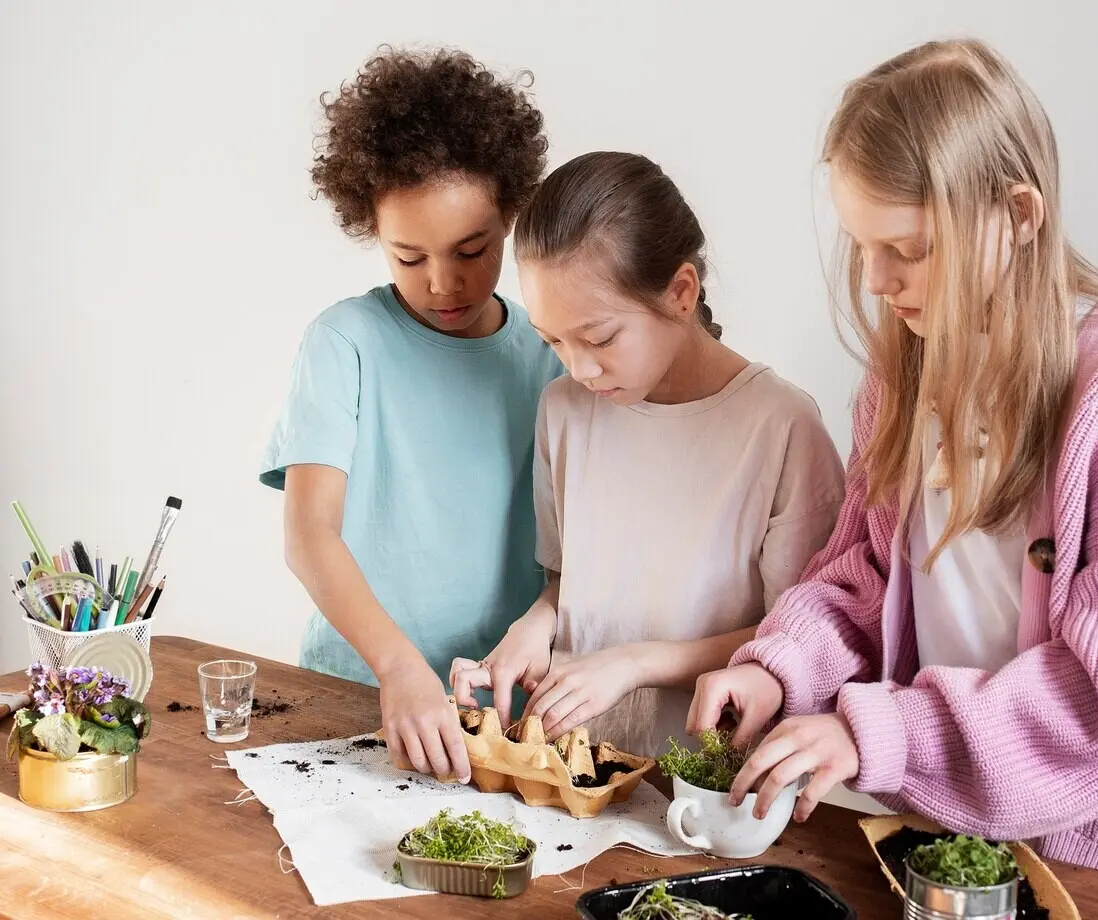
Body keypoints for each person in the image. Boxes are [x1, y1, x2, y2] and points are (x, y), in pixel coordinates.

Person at [687, 40, 1098, 919]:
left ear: (1018, 214)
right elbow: (866, 579)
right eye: (861, 245)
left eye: (907, 247)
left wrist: (873, 731)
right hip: (952, 845)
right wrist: (777, 670)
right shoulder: (903, 377)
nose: (876, 282)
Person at [452, 151, 845, 758]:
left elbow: (797, 640)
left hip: (706, 779)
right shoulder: (564, 409)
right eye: (553, 340)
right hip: (579, 766)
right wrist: (534, 626)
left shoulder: (782, 427)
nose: (580, 368)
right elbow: (570, 582)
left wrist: (636, 663)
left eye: (600, 337)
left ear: (681, 292)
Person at [259, 48, 565, 783]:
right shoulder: (344, 343)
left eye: (471, 249)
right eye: (407, 256)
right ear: (372, 231)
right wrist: (397, 666)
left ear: (511, 214)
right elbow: (308, 534)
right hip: (357, 692)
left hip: (499, 713)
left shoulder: (552, 358)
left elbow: (581, 554)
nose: (441, 283)